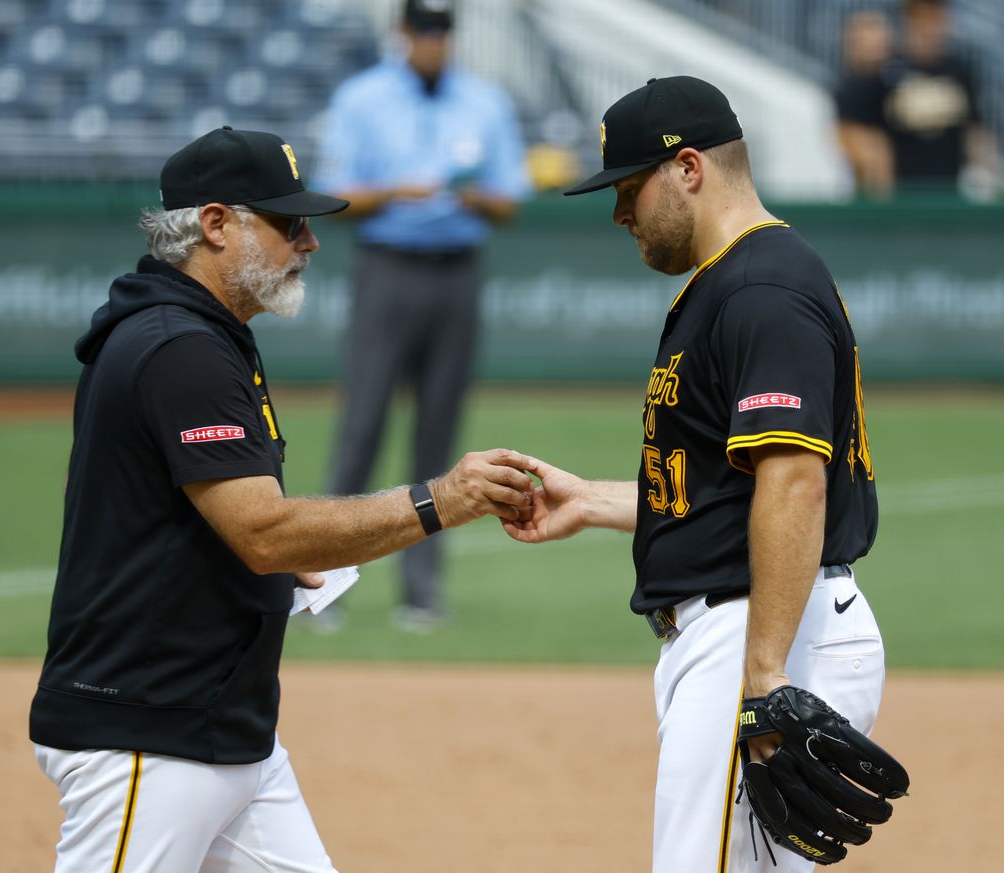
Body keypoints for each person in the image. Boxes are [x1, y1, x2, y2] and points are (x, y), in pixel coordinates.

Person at [28, 126, 535, 873]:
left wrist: (283, 561)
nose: (310, 242)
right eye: (288, 222)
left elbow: (218, 524)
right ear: (215, 223)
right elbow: (262, 529)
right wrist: (441, 500)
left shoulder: (209, 333)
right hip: (147, 728)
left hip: (221, 729)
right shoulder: (179, 347)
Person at [502, 76, 888, 872]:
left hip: (762, 630)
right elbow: (724, 489)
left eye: (627, 187)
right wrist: (599, 501)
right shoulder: (732, 282)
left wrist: (764, 679)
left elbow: (793, 480)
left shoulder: (762, 288)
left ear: (687, 169)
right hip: (751, 624)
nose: (617, 213)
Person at [310, 0, 531, 631]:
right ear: (402, 34)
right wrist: (397, 190)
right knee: (361, 428)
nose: (435, 42)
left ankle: (422, 592)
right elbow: (336, 194)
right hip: (387, 264)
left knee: (438, 437)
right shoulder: (363, 97)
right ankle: (325, 586)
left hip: (457, 267)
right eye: (424, 30)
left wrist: (470, 195)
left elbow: (509, 197)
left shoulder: (484, 100)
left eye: (443, 31)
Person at [835, 0, 999, 197]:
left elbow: (975, 130)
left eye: (935, 17)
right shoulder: (886, 71)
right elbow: (872, 139)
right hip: (900, 191)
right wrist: (880, 191)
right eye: (920, 17)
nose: (929, 26)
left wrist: (990, 178)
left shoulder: (960, 71)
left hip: (948, 189)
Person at [832, 8, 896, 198]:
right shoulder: (847, 90)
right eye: (866, 32)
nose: (874, 40)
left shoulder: (894, 81)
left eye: (877, 30)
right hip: (868, 193)